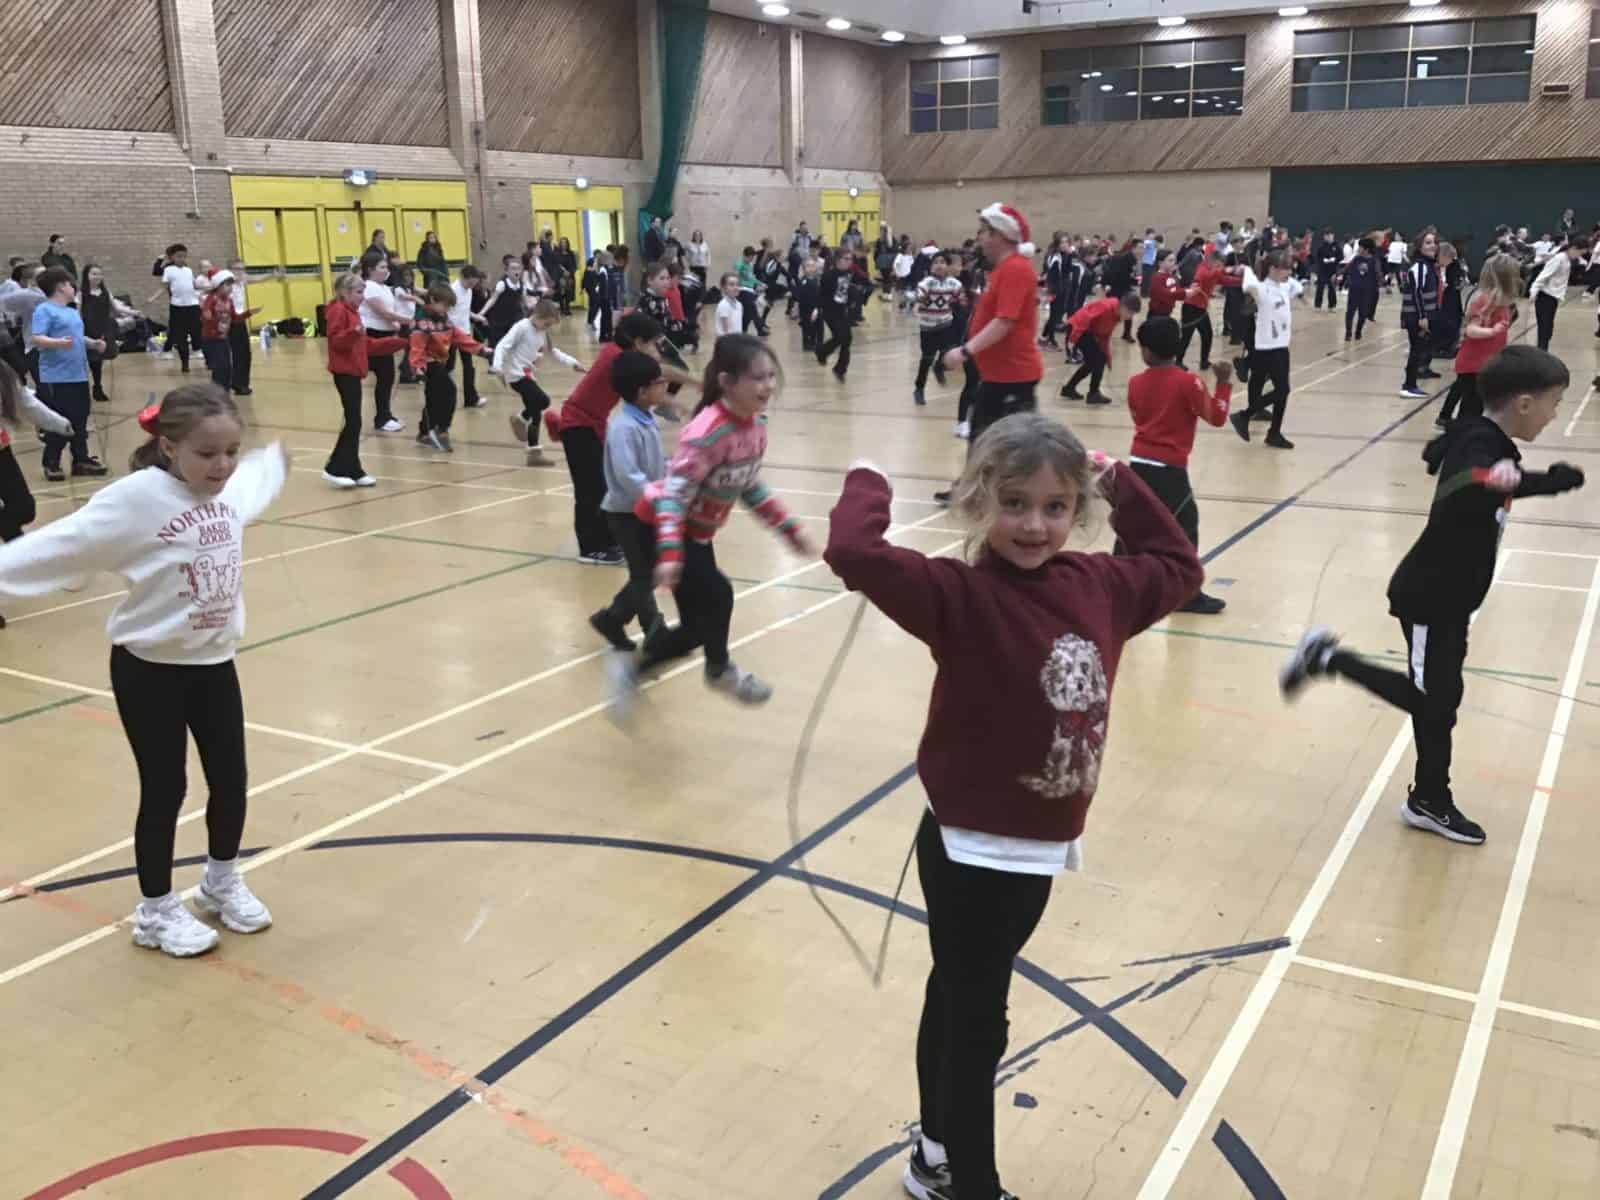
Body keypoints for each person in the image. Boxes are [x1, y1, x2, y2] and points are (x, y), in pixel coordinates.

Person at [823, 414, 1202, 1200]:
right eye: (1014, 503)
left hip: (1039, 849)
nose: (1034, 525)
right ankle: (972, 1183)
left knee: (958, 997)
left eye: (1056, 506)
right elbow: (854, 551)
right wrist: (868, 477)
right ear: (978, 502)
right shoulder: (957, 594)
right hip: (968, 851)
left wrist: (1119, 480)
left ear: (1078, 509)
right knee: (977, 1020)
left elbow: (1178, 564)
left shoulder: (1100, 586)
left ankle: (934, 1155)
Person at [0, 385, 289, 956]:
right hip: (149, 670)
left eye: (232, 451)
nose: (223, 465)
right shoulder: (134, 500)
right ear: (169, 446)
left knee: (230, 781)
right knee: (165, 789)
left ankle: (220, 881)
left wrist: (270, 461)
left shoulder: (228, 488)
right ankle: (155, 911)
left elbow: (252, 483)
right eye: (207, 454)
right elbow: (56, 546)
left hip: (214, 663)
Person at [1280, 346, 1585, 845]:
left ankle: (1425, 793)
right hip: (1432, 596)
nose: (1555, 414)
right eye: (1554, 403)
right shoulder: (1482, 449)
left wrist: (1511, 478)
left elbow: (1469, 456)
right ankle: (1426, 796)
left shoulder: (1482, 434)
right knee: (1434, 705)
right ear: (1525, 403)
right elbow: (1468, 481)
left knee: (1441, 700)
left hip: (1452, 596)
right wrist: (1517, 481)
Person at [612, 334, 814, 707]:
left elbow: (747, 485)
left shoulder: (754, 427)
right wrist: (670, 555)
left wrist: (787, 529)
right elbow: (673, 499)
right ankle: (719, 670)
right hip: (660, 526)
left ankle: (634, 669)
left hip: (694, 532)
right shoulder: (707, 433)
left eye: (771, 375)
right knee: (718, 595)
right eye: (757, 377)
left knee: (696, 628)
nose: (768, 385)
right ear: (727, 382)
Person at [1123, 316, 1233, 613]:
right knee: (1185, 529)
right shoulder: (1188, 382)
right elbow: (1217, 417)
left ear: (1146, 351)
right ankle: (1187, 594)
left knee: (1132, 527)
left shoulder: (1135, 383)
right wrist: (1223, 384)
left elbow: (1138, 416)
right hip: (1169, 469)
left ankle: (1116, 587)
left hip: (1138, 464)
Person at [546, 312, 666, 564]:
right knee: (589, 490)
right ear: (638, 342)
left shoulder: (619, 353)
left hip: (594, 424)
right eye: (652, 343)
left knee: (601, 486)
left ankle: (606, 540)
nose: (654, 348)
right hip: (578, 424)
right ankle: (590, 548)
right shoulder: (618, 358)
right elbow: (654, 376)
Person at [940, 203, 1043, 446]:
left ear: (999, 235)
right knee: (985, 449)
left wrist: (964, 351)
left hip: (1012, 378)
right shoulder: (1002, 269)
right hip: (998, 376)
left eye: (983, 232)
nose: (979, 239)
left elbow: (1004, 321)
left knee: (996, 452)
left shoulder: (1015, 268)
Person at [590, 350, 671, 656]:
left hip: (646, 509)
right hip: (626, 513)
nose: (664, 386)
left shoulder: (646, 419)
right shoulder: (624, 427)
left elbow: (654, 464)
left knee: (648, 570)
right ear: (641, 391)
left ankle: (616, 620)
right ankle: (649, 629)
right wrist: (656, 497)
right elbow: (628, 474)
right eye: (658, 383)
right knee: (644, 573)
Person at [0, 361, 73, 629]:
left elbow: (26, 403)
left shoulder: (3, 373)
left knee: (24, 508)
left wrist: (59, 423)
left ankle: (16, 549)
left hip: (1, 452)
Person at [323, 272, 408, 487]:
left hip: (354, 371)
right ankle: (335, 468)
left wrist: (400, 342)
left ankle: (352, 468)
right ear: (345, 292)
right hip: (344, 372)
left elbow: (366, 345)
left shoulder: (353, 312)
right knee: (353, 421)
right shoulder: (338, 310)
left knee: (354, 421)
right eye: (359, 292)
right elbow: (336, 341)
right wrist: (353, 333)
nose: (362, 297)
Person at [31, 267, 109, 482]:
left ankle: (81, 460)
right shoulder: (44, 310)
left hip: (79, 375)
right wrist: (57, 343)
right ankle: (51, 462)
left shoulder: (72, 311)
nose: (73, 288)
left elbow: (76, 337)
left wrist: (93, 343)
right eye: (69, 284)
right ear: (60, 287)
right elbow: (37, 338)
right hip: (57, 377)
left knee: (80, 418)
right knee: (59, 420)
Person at [1229, 250, 1305, 450]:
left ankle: (1274, 433)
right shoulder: (1262, 289)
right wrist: (1246, 269)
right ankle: (1244, 415)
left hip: (1281, 346)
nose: (1289, 272)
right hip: (1268, 348)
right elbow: (1248, 285)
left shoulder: (1285, 286)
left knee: (1282, 392)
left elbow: (1298, 287)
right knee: (1283, 390)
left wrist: (1289, 277)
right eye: (1285, 269)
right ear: (1272, 269)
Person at [496, 297, 581, 467]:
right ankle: (521, 419)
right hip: (515, 374)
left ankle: (533, 452)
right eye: (546, 324)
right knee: (543, 401)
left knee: (536, 412)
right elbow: (502, 346)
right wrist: (497, 367)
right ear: (537, 315)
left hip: (527, 374)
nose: (547, 328)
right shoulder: (521, 327)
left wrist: (573, 363)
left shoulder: (542, 332)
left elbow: (553, 352)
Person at [1437, 255, 1519, 428]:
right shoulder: (1483, 300)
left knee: (1478, 405)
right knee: (1471, 407)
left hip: (1488, 362)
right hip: (1474, 364)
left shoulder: (1502, 302)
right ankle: (1459, 435)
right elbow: (1471, 330)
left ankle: (1463, 431)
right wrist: (1493, 331)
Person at [409, 283, 489, 453]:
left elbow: (458, 336)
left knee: (433, 400)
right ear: (432, 300)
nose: (446, 310)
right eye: (444, 305)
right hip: (428, 364)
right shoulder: (422, 321)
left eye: (449, 307)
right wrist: (417, 367)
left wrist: (481, 349)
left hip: (439, 362)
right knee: (449, 391)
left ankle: (424, 433)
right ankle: (441, 430)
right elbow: (417, 347)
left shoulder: (444, 318)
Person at [358, 253, 411, 432]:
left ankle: (384, 415)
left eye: (386, 267)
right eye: (382, 267)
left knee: (387, 377)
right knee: (384, 376)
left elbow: (390, 312)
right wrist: (409, 321)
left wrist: (396, 324)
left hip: (385, 335)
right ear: (370, 270)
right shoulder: (369, 287)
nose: (386, 270)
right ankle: (382, 418)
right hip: (373, 336)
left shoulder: (385, 288)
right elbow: (384, 313)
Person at [1061, 291, 1141, 406]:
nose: (1130, 317)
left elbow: (1105, 336)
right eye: (1130, 313)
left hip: (1088, 332)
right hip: (1078, 328)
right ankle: (1092, 393)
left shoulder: (1117, 316)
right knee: (1097, 360)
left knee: (1096, 361)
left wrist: (1107, 355)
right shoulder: (1106, 307)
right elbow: (1084, 318)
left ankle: (1070, 388)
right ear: (1123, 307)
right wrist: (1073, 340)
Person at [78, 263, 137, 404]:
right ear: (86, 276)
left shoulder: (105, 292)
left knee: (98, 359)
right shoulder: (81, 294)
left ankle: (97, 386)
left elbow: (117, 308)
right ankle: (89, 387)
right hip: (88, 329)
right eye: (94, 273)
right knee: (90, 360)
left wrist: (133, 312)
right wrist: (78, 329)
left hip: (103, 328)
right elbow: (77, 313)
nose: (97, 276)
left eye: (99, 274)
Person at [913, 254, 963, 407]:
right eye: (936, 262)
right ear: (931, 266)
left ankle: (939, 367)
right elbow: (920, 294)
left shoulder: (954, 283)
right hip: (927, 327)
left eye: (943, 262)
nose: (939, 265)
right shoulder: (927, 282)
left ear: (948, 266)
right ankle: (919, 389)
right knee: (927, 358)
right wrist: (919, 301)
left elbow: (962, 298)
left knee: (949, 353)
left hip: (946, 324)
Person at [1399, 231, 1442, 399]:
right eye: (1428, 243)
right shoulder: (1419, 267)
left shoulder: (1429, 266)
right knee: (1416, 350)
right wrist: (1422, 317)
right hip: (1415, 317)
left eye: (1434, 242)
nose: (1433, 246)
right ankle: (1408, 385)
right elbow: (1417, 292)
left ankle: (1411, 384)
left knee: (1419, 350)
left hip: (1425, 316)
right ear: (1420, 247)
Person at [1529, 236, 1590, 352]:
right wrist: (1533, 292)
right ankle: (1542, 354)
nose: (1579, 256)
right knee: (1544, 330)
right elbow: (1542, 276)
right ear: (1573, 248)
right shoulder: (1559, 258)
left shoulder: (1567, 259)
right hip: (1545, 298)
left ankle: (1543, 352)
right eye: (1580, 253)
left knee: (1548, 330)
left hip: (1553, 299)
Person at [149, 244, 202, 374]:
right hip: (177, 307)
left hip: (193, 306)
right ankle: (185, 364)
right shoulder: (168, 270)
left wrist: (206, 290)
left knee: (196, 331)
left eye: (184, 256)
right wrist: (153, 297)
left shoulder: (188, 270)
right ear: (172, 257)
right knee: (179, 335)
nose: (182, 259)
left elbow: (194, 286)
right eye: (179, 256)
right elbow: (163, 287)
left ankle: (201, 353)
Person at [816, 250, 857, 382]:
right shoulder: (828, 275)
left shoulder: (849, 273)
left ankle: (840, 369)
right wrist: (817, 309)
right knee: (840, 336)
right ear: (838, 260)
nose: (850, 262)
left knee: (847, 339)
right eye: (847, 259)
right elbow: (821, 294)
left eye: (851, 259)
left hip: (842, 310)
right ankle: (822, 352)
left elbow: (848, 290)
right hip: (830, 311)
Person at [198, 271, 236, 392]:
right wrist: (213, 321)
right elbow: (205, 317)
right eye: (227, 285)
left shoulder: (229, 300)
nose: (230, 288)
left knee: (227, 367)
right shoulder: (211, 299)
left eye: (231, 285)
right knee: (219, 368)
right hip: (211, 339)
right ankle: (216, 393)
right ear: (219, 285)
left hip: (223, 338)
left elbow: (234, 316)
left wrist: (248, 313)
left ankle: (224, 391)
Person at [1343, 237, 1381, 342]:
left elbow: (1378, 274)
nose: (1358, 249)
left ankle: (1358, 331)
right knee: (1350, 312)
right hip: (1354, 289)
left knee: (1363, 313)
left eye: (1360, 247)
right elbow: (1347, 268)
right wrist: (1338, 274)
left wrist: (1382, 283)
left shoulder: (1374, 261)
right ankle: (1348, 332)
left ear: (1366, 249)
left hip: (1367, 291)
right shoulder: (1356, 259)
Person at [1313, 228, 1342, 310]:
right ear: (1324, 237)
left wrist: (1335, 259)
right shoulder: (1321, 247)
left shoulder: (1337, 246)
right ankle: (1317, 305)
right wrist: (1323, 260)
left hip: (1332, 270)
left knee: (1332, 288)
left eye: (1329, 235)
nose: (1328, 237)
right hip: (1322, 270)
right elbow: (1317, 257)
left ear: (1333, 236)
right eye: (1326, 235)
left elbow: (1341, 257)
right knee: (1320, 287)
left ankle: (1332, 306)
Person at [714, 272, 743, 338]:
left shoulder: (739, 304)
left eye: (738, 284)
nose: (736, 287)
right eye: (731, 285)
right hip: (726, 341)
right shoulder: (724, 305)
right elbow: (726, 332)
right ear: (723, 288)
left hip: (736, 339)